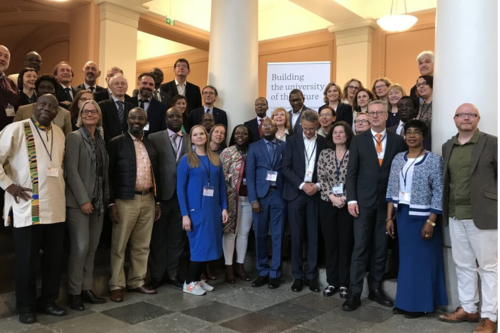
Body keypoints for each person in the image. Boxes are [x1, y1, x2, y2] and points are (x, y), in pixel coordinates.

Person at [0, 94, 67, 324]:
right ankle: (26, 307)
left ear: (57, 112)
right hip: (28, 207)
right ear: (34, 107)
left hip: (56, 206)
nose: (47, 109)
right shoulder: (16, 129)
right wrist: (9, 186)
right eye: (42, 104)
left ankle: (48, 300)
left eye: (52, 106)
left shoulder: (59, 133)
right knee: (26, 261)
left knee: (53, 260)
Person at [439, 104, 497, 333]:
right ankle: (469, 308)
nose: (466, 118)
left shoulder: (492, 142)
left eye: (471, 115)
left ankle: (490, 316)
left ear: (478, 119)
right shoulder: (448, 146)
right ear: (454, 119)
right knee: (463, 265)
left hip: (483, 215)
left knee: (489, 267)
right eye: (461, 114)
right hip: (455, 214)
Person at [342, 100, 406, 312]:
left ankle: (376, 289)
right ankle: (354, 292)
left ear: (387, 115)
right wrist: (351, 200)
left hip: (386, 204)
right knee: (360, 247)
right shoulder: (358, 141)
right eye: (372, 113)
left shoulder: (398, 141)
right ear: (367, 116)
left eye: (380, 113)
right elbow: (351, 173)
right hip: (362, 203)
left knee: (380, 248)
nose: (376, 116)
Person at [385, 119, 447, 318]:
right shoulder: (397, 158)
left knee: (422, 261)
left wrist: (431, 221)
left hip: (424, 218)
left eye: (416, 132)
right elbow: (392, 189)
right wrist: (389, 218)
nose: (412, 135)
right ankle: (405, 301)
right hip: (403, 216)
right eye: (408, 132)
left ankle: (421, 304)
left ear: (423, 136)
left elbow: (439, 192)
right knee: (407, 261)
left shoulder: (434, 160)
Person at [107, 107, 161, 302]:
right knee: (119, 245)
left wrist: (157, 201)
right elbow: (109, 175)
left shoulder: (151, 144)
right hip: (124, 200)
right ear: (127, 120)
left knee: (142, 244)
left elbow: (157, 173)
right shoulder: (116, 143)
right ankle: (116, 284)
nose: (137, 121)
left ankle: (137, 280)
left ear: (145, 121)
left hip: (147, 198)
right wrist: (111, 202)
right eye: (133, 117)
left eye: (140, 118)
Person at [65, 100, 109, 311]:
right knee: (80, 247)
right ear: (80, 115)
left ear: (98, 115)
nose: (90, 114)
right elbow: (71, 171)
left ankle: (86, 288)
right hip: (79, 203)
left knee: (91, 248)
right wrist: (83, 200)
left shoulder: (100, 138)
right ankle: (74, 293)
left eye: (94, 111)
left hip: (98, 202)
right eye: (86, 111)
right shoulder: (74, 137)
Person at [177, 125, 229, 296]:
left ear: (206, 137)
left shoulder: (215, 158)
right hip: (195, 210)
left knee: (209, 245)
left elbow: (221, 186)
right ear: (191, 139)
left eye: (201, 134)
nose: (199, 137)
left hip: (212, 210)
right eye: (195, 134)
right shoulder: (186, 160)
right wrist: (185, 215)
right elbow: (180, 189)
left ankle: (198, 279)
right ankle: (189, 282)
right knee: (198, 247)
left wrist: (224, 208)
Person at [282, 110, 326, 293]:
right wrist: (302, 185)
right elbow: (285, 167)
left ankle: (312, 277)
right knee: (297, 237)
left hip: (315, 193)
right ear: (301, 125)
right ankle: (298, 276)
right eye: (305, 129)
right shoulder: (292, 141)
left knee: (314, 237)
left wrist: (317, 185)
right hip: (296, 193)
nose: (308, 132)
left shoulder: (324, 142)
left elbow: (327, 168)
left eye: (312, 129)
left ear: (317, 126)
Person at [148, 107, 191, 290]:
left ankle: (173, 274)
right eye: (171, 116)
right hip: (162, 196)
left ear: (182, 118)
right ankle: (157, 275)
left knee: (177, 238)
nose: (174, 118)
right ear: (165, 119)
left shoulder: (191, 139)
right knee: (158, 238)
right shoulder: (154, 138)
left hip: (183, 197)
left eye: (178, 116)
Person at [247, 118, 286, 289]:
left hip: (279, 195)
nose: (267, 127)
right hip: (261, 197)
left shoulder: (284, 146)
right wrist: (253, 199)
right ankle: (262, 271)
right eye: (264, 125)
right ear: (261, 128)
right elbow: (250, 174)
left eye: (270, 125)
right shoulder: (254, 146)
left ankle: (275, 273)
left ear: (276, 127)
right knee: (260, 235)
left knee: (277, 235)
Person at [317, 121, 355, 299]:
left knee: (346, 244)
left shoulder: (354, 153)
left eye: (341, 132)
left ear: (347, 134)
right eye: (335, 132)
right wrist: (332, 197)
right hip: (327, 203)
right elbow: (321, 177)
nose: (338, 135)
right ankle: (332, 282)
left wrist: (344, 198)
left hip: (348, 204)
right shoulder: (325, 154)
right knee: (331, 243)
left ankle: (344, 284)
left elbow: (355, 177)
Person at [220, 125, 254, 283]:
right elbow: (220, 177)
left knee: (244, 233)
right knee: (230, 233)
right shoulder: (227, 152)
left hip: (248, 199)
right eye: (238, 133)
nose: (241, 135)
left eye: (244, 133)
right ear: (234, 135)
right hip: (230, 198)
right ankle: (228, 267)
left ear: (249, 135)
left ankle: (240, 265)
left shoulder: (253, 151)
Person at [99, 75, 135, 144]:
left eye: (123, 83)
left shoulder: (132, 107)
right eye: (116, 83)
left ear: (127, 87)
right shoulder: (102, 106)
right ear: (110, 87)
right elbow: (102, 127)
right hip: (108, 145)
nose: (120, 86)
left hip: (128, 145)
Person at [0, 45, 19, 131]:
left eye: (6, 57)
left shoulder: (11, 83)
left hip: (7, 134)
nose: (2, 59)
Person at [416, 75, 433, 150]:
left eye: (424, 83)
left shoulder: (439, 103)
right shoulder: (421, 104)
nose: (421, 87)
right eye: (419, 85)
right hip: (422, 145)